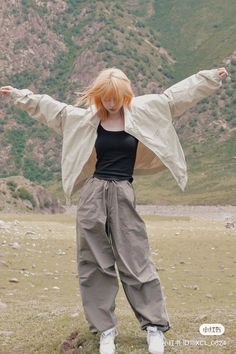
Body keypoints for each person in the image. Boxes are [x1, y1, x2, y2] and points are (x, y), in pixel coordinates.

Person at [0, 66, 228, 354]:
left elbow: (175, 98)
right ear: (98, 96)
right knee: (94, 263)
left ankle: (155, 327)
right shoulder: (84, 120)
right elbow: (50, 108)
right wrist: (20, 95)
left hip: (123, 192)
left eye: (116, 97)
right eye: (105, 97)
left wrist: (207, 79)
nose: (110, 102)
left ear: (125, 94)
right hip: (93, 194)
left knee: (136, 259)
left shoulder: (144, 112)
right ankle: (105, 330)